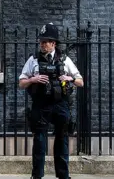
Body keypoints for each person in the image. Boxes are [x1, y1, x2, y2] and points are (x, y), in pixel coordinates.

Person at [19, 23, 84, 179]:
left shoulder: (64, 59)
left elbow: (81, 81)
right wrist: (33, 79)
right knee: (40, 141)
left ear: (53, 43)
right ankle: (37, 176)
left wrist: (71, 78)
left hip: (61, 104)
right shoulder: (33, 59)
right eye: (41, 41)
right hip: (40, 105)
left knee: (62, 140)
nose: (42, 44)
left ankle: (63, 176)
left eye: (46, 41)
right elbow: (21, 83)